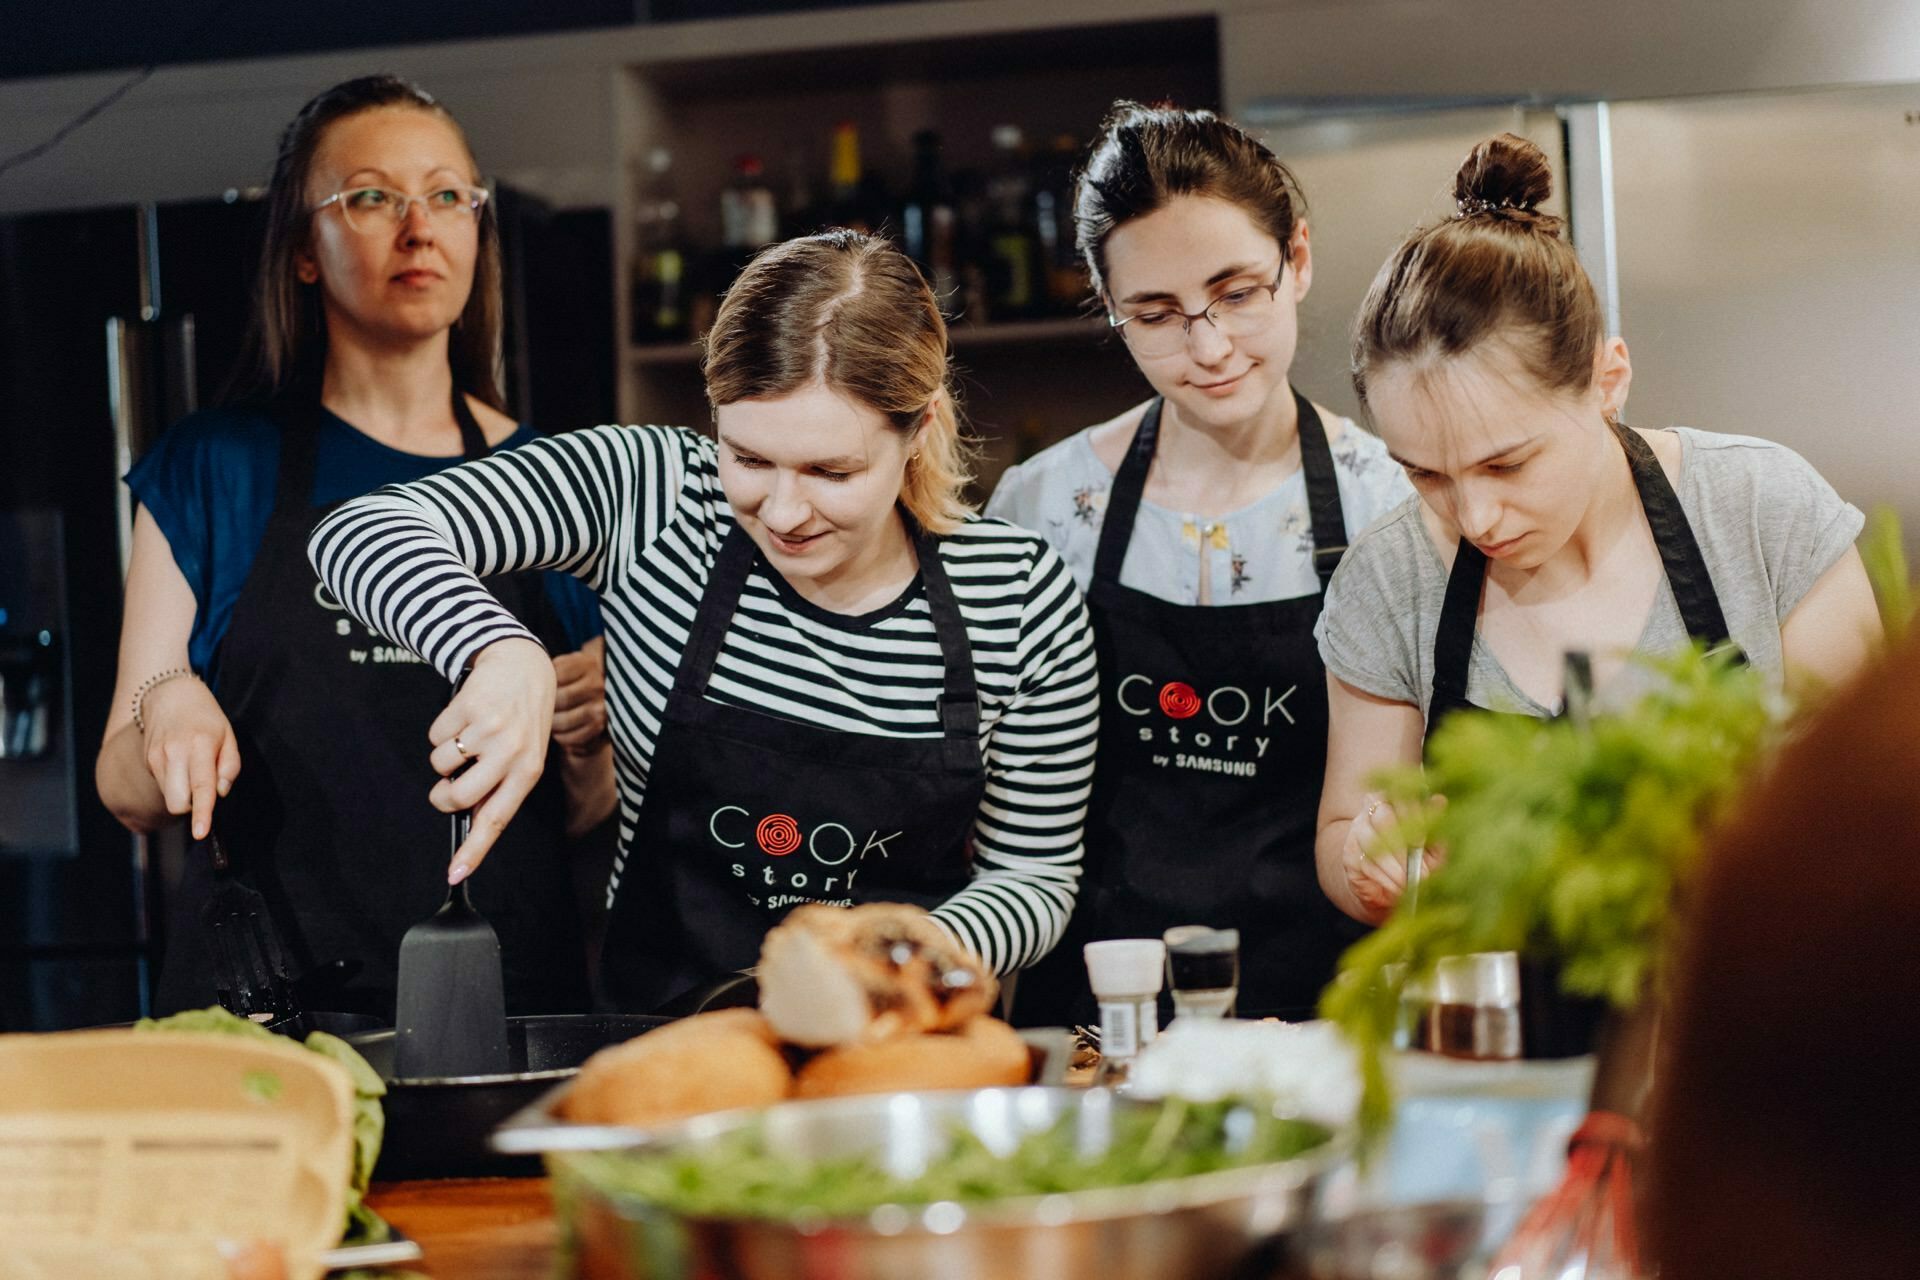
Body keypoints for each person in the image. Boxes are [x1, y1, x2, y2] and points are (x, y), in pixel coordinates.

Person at [308, 229, 1101, 1013]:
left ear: (918, 431)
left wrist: (891, 962)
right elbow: (359, 531)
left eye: (832, 471)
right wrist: (498, 649)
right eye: (749, 459)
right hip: (664, 1046)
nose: (784, 513)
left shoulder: (1018, 595)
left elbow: (1033, 875)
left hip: (895, 1053)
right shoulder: (654, 498)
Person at [96, 75, 614, 1019]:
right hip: (260, 1015)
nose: (420, 228)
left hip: (504, 1013)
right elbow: (127, 789)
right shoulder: (216, 467)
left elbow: (581, 816)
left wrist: (590, 738)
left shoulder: (559, 480)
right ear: (303, 249)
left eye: (448, 196)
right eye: (373, 196)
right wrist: (164, 702)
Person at [1314, 133, 1882, 925]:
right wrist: (1370, 867)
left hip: (1749, 1012)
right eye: (1426, 474)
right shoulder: (1389, 579)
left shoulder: (1761, 510)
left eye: (1506, 464)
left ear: (1607, 381)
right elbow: (1346, 831)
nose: (1474, 517)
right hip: (1497, 1023)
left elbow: (1876, 810)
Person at [987, 102, 1411, 1023]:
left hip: (1330, 1019)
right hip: (1098, 1022)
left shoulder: (1394, 506)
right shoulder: (1041, 509)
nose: (1209, 347)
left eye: (1237, 294)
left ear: (1296, 261)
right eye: (1157, 314)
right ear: (1110, 310)